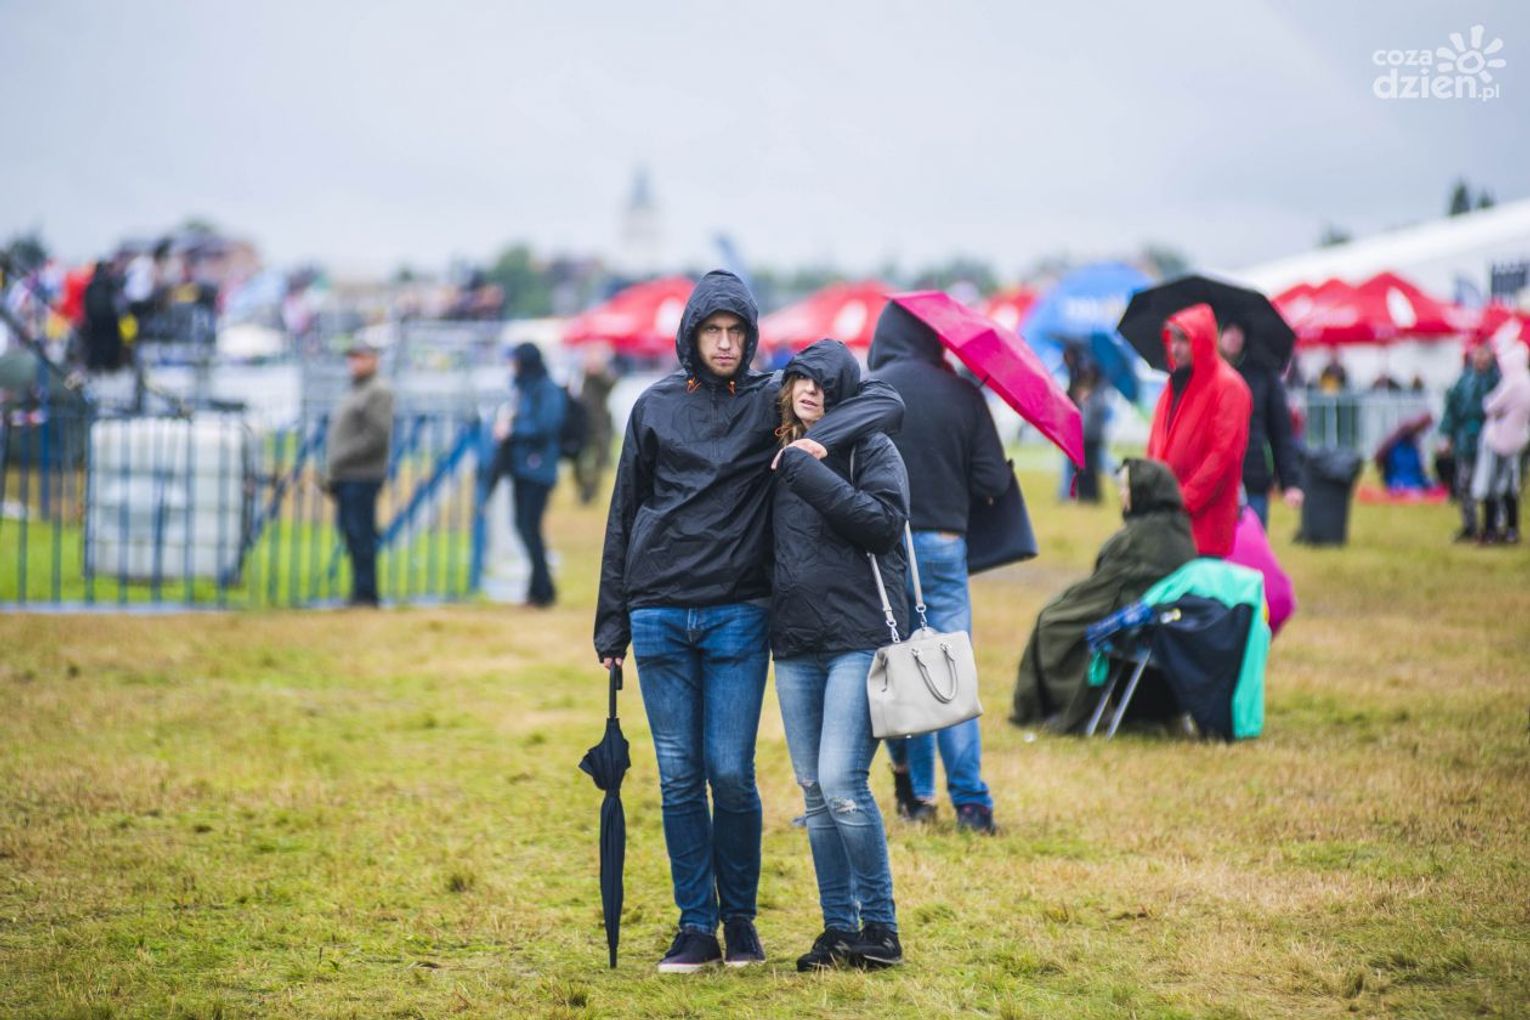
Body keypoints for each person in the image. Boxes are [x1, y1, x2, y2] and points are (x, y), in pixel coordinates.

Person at [594, 270, 902, 974]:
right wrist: (612, 624)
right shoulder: (652, 405)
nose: (726, 343)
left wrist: (814, 444)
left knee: (731, 773)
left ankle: (740, 921)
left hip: (738, 611)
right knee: (678, 777)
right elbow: (623, 512)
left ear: (753, 336)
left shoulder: (772, 400)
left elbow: (883, 399)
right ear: (692, 335)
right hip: (658, 611)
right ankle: (694, 926)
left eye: (737, 331)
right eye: (713, 331)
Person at [770, 339, 907, 971]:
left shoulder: (870, 447)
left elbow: (883, 525)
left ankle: (880, 929)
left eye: (823, 383)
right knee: (813, 791)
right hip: (796, 643)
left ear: (844, 393)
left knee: (842, 781)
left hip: (858, 637)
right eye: (801, 378)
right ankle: (837, 929)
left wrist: (812, 471)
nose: (810, 390)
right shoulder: (779, 446)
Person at [866, 300, 1010, 833]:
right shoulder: (962, 392)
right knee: (953, 670)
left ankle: (919, 797)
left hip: (884, 545)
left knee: (904, 667)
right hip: (946, 545)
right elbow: (992, 480)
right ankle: (971, 802)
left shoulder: (868, 390)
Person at [1010, 458, 1198, 732]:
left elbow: (1107, 587)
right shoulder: (1180, 530)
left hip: (1134, 618)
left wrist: (1068, 603)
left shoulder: (1135, 538)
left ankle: (1062, 707)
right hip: (1162, 621)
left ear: (1143, 491)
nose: (1121, 494)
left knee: (1053, 622)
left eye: (1125, 488)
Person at [1146, 304, 1251, 557]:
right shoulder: (1174, 385)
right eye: (1172, 339)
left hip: (1204, 525)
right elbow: (1156, 444)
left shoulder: (1229, 387)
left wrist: (1182, 500)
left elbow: (1223, 456)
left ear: (1201, 340)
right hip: (1167, 520)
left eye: (1184, 340)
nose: (1175, 348)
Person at [325, 342, 394, 607]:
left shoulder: (378, 391)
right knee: (351, 533)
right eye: (352, 358)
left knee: (361, 534)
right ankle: (359, 591)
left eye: (361, 358)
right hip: (346, 474)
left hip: (362, 474)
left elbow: (376, 436)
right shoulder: (356, 390)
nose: (354, 363)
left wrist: (343, 456)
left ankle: (366, 593)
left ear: (374, 360)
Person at [1218, 321, 1302, 529]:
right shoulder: (1204, 373)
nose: (1234, 336)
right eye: (1228, 330)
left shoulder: (1263, 375)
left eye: (1239, 330)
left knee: (1252, 541)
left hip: (1253, 475)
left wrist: (1290, 482)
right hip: (1214, 479)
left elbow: (1281, 431)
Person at [501, 343, 566, 606]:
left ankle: (542, 590)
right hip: (522, 467)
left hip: (539, 469)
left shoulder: (546, 389)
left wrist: (513, 430)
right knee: (524, 526)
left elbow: (546, 425)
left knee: (529, 527)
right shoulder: (523, 387)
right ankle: (539, 587)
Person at [1438, 343, 1501, 542]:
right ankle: (1470, 526)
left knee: (1491, 485)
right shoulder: (1464, 380)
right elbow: (1452, 409)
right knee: (1464, 483)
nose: (1480, 358)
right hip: (1466, 440)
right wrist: (1447, 435)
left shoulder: (1497, 379)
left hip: (1491, 440)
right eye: (1478, 353)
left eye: (1484, 354)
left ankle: (1492, 526)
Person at [1474, 341, 1529, 544]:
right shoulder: (1526, 382)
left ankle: (1491, 529)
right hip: (1518, 440)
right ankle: (1511, 528)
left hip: (1499, 441)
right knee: (1510, 486)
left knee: (1492, 486)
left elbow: (1490, 405)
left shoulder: (1513, 383)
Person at [573, 346, 617, 505]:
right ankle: (584, 489)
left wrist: (600, 370)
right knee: (578, 459)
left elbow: (611, 383)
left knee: (599, 460)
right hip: (582, 424)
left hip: (600, 425)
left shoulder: (603, 377)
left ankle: (591, 491)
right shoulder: (581, 375)